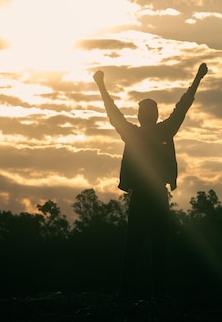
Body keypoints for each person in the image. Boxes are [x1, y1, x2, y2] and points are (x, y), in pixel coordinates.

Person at [93, 63, 208, 298]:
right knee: (151, 245)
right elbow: (182, 107)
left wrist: (101, 85)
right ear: (152, 116)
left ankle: (132, 291)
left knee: (141, 245)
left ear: (143, 116)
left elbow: (113, 113)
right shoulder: (159, 132)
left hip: (148, 196)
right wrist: (197, 78)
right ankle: (146, 292)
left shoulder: (138, 133)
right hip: (152, 195)